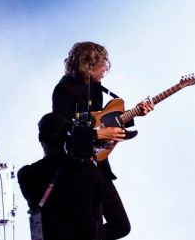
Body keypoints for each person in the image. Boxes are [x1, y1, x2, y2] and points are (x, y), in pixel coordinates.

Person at [51, 41, 154, 180]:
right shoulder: (64, 89)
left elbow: (102, 120)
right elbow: (61, 131)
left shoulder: (95, 85)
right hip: (73, 166)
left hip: (98, 162)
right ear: (88, 67)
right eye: (101, 68)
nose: (104, 73)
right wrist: (97, 134)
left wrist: (135, 113)